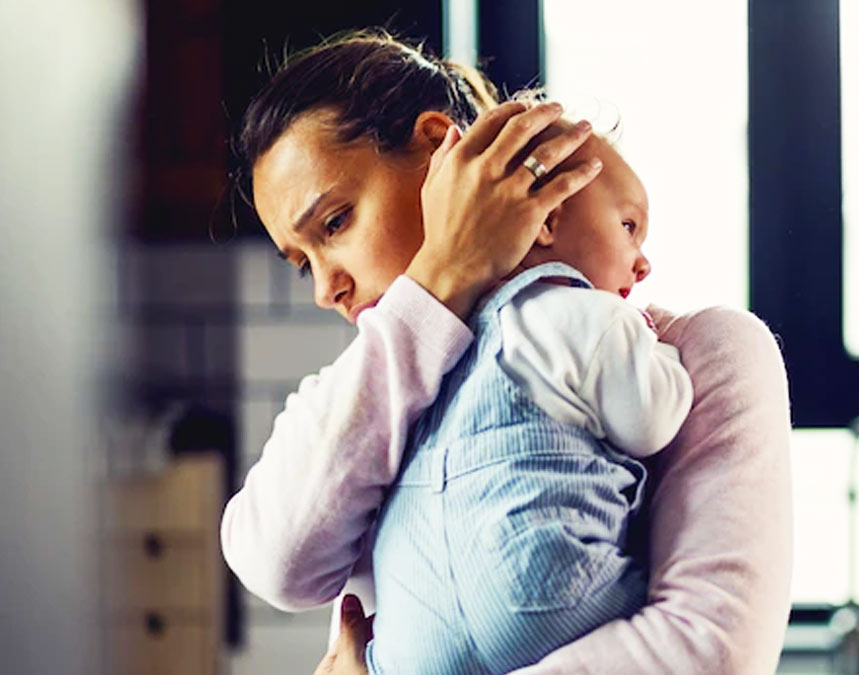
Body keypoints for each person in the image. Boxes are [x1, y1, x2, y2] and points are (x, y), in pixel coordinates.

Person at [222, 30, 793, 674]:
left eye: (335, 224)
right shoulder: (351, 396)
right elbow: (281, 566)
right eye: (304, 265)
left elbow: (710, 653)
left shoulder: (691, 352)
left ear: (439, 148)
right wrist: (437, 285)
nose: (328, 288)